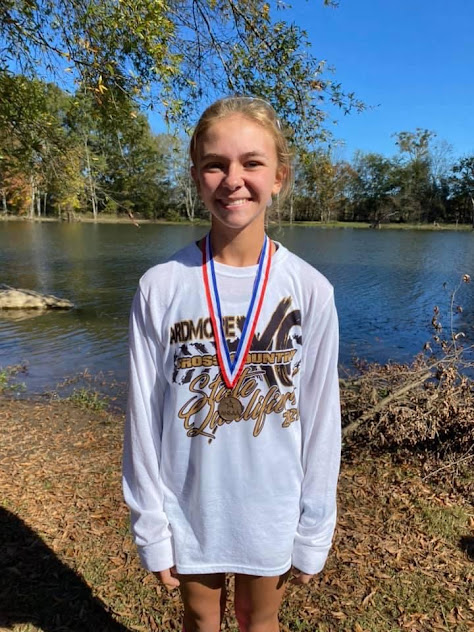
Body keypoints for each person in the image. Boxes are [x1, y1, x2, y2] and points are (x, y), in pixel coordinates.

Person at [123, 96, 341, 632]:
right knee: (201, 620)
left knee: (258, 619)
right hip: (191, 499)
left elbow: (321, 418)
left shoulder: (310, 289)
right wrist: (151, 524)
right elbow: (143, 419)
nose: (232, 179)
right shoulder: (162, 286)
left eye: (251, 162)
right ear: (197, 177)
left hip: (273, 503)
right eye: (215, 164)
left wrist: (314, 527)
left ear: (280, 177)